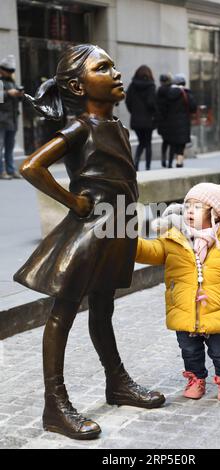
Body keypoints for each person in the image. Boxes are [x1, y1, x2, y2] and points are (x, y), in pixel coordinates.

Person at [13, 44, 165, 441]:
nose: (116, 72)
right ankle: (55, 404)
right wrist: (73, 200)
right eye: (104, 67)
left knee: (103, 307)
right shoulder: (80, 127)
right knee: (63, 312)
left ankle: (117, 382)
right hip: (91, 228)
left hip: (119, 225)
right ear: (78, 87)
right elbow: (31, 166)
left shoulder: (120, 128)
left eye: (114, 65)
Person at [136, 179, 220, 401]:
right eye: (188, 205)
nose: (190, 210)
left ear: (215, 213)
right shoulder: (174, 239)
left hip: (219, 309)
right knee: (189, 351)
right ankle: (196, 379)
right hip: (184, 309)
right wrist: (127, 243)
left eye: (198, 206)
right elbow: (149, 251)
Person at [160, 73, 197, 168]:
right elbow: (193, 108)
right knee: (181, 143)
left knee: (173, 142)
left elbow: (163, 108)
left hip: (170, 122)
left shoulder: (168, 93)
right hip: (184, 122)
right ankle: (179, 162)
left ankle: (170, 162)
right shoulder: (186, 93)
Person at [125, 65, 156, 171]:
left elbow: (127, 101)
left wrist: (133, 112)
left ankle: (136, 162)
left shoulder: (132, 86)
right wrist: (154, 112)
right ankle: (147, 166)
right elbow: (151, 103)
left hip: (136, 120)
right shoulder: (151, 86)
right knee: (147, 143)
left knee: (141, 142)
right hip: (148, 120)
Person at [0, 54, 23, 179]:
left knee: (10, 146)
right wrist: (8, 93)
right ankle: (1, 171)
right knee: (0, 146)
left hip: (12, 119)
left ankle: (11, 169)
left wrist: (19, 95)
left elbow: (16, 101)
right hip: (2, 119)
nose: (9, 73)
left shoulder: (12, 82)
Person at [156, 73, 172, 168]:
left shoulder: (158, 91)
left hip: (161, 120)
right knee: (171, 142)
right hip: (170, 119)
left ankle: (163, 158)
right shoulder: (170, 91)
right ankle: (169, 162)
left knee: (165, 141)